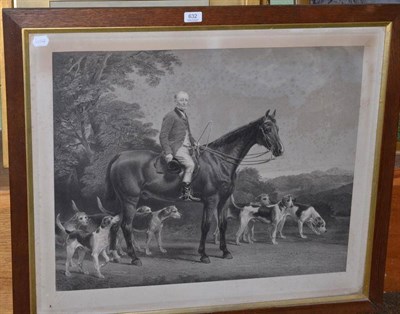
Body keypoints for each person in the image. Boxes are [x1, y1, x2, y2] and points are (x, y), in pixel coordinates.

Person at [159, 91, 198, 200]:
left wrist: (194, 142)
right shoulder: (171, 115)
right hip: (176, 148)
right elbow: (163, 136)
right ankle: (185, 193)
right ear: (175, 101)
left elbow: (188, 134)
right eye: (182, 100)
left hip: (187, 148)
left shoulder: (184, 115)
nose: (184, 103)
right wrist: (168, 152)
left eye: (186, 100)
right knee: (190, 165)